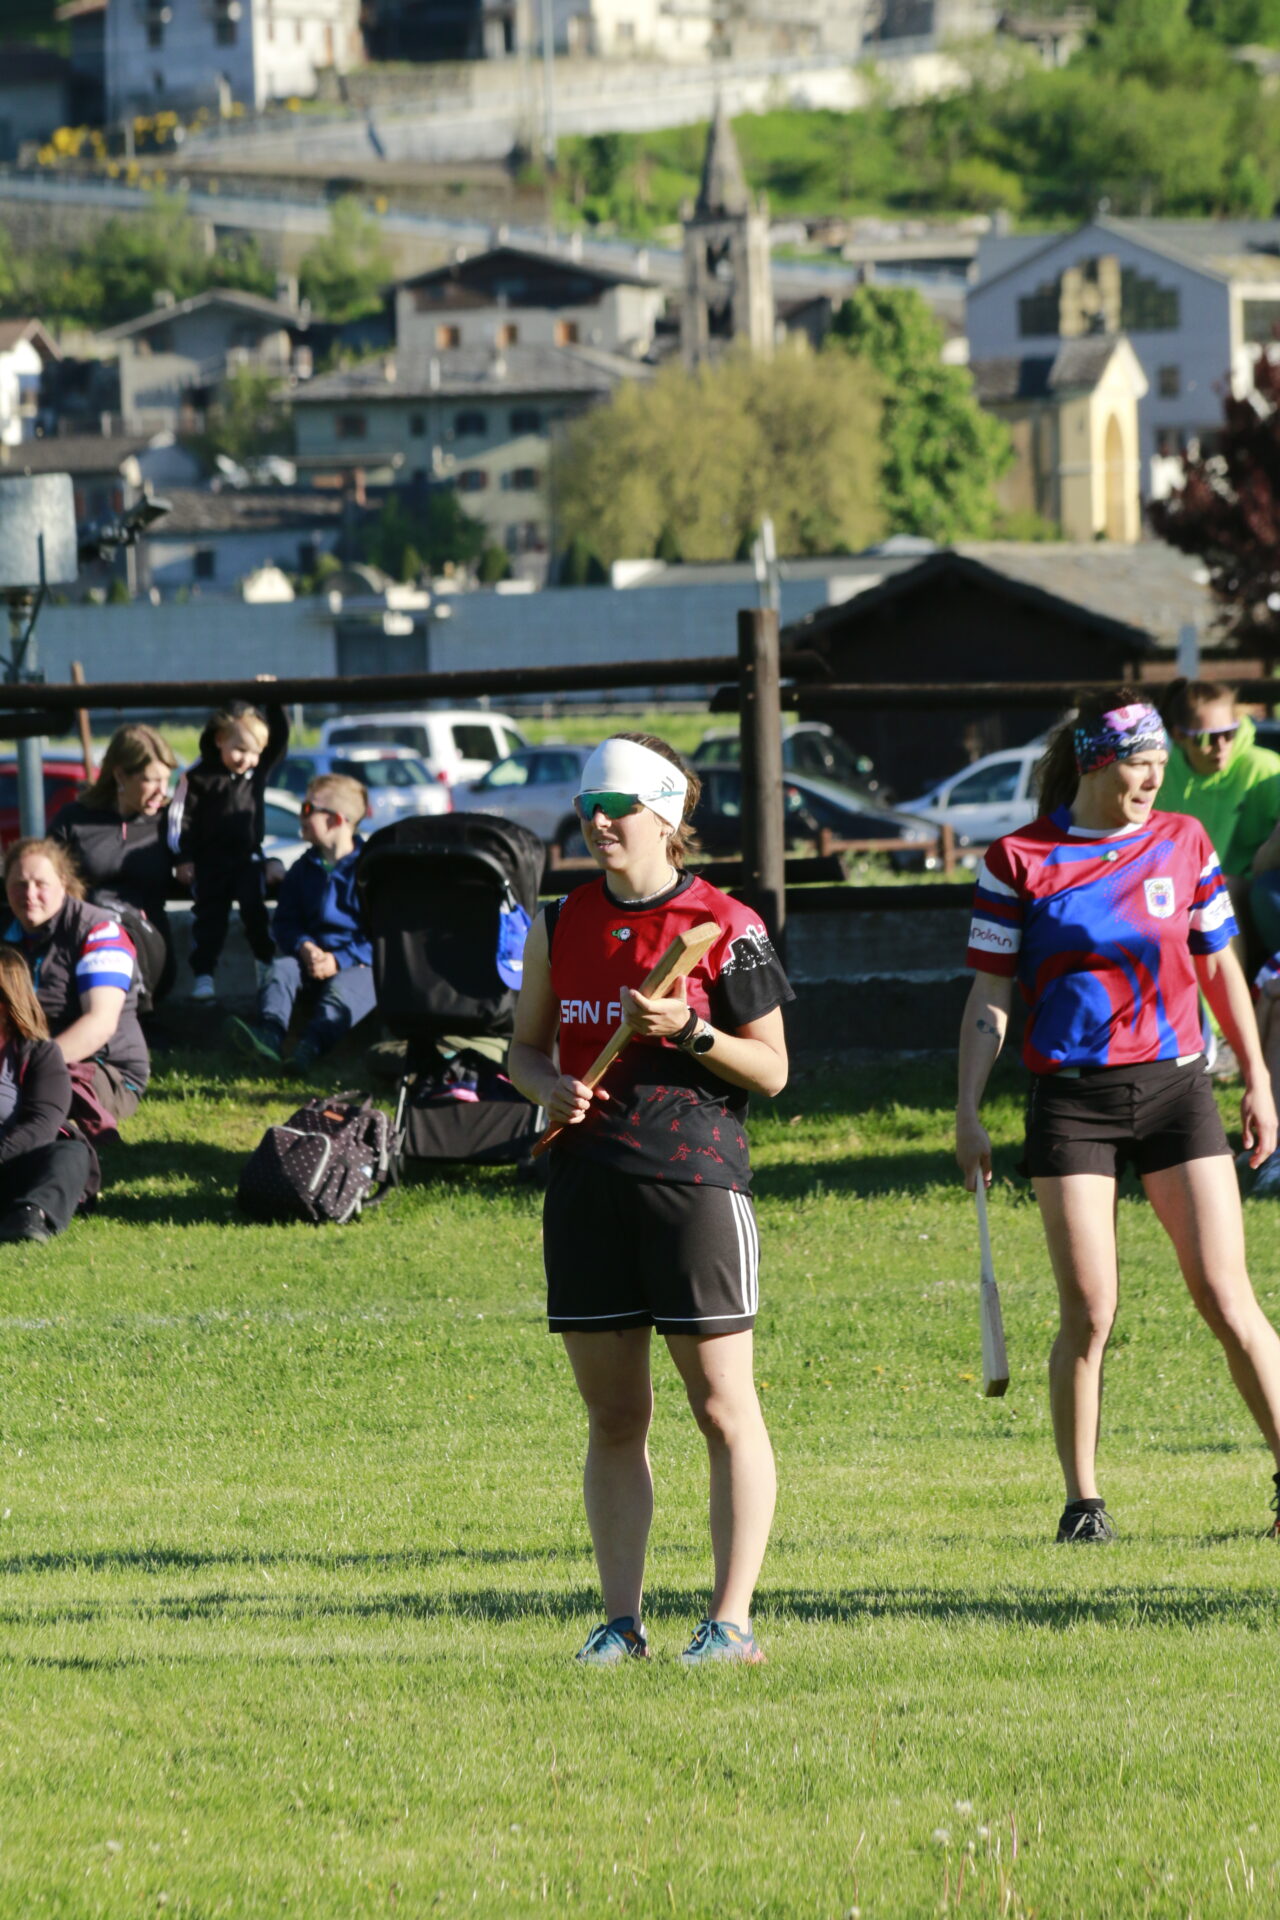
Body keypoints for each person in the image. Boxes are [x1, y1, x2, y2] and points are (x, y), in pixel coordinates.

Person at [955, 690, 1280, 1543]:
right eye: (1141, 762)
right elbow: (990, 997)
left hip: (1178, 1091)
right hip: (1072, 1102)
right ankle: (1083, 1503)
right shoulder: (1018, 859)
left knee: (1226, 1296)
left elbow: (1219, 968)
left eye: (1161, 764)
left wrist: (1257, 1079)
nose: (1154, 778)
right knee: (1090, 1311)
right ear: (1097, 762)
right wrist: (967, 1110)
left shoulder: (1184, 841)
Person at [508, 734, 792, 1665]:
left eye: (617, 807)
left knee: (722, 1409)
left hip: (694, 1183)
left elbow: (774, 1071)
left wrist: (691, 1031)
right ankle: (620, 1624)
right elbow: (525, 1050)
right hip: (585, 1185)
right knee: (614, 1417)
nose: (598, 823)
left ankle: (730, 1624)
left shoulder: (725, 923)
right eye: (589, 807)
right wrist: (547, 1089)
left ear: (665, 815)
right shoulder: (559, 920)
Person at [224, 772, 375, 1077]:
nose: (300, 816)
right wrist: (304, 946)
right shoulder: (302, 868)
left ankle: (308, 1048)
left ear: (336, 819)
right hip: (310, 958)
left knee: (344, 993)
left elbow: (381, 936)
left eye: (308, 809)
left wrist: (339, 959)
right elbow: (286, 922)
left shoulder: (370, 871)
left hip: (358, 963)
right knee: (281, 970)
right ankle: (269, 1035)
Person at [3, 838, 149, 1138]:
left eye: (40, 884)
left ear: (63, 883)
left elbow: (100, 1024)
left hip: (101, 1069)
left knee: (30, 1098)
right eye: (19, 884)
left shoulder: (100, 932)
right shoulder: (6, 931)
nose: (29, 894)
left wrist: (26, 1069)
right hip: (21, 1061)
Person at [49, 723, 180, 1002]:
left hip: (149, 951)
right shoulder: (74, 819)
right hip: (87, 945)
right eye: (150, 780)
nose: (162, 791)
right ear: (120, 774)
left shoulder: (169, 821)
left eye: (166, 780)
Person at [171, 696, 288, 1003]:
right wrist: (183, 857)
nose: (246, 759)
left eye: (255, 753)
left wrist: (275, 701)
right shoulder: (197, 776)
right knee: (210, 917)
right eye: (240, 749)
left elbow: (279, 741)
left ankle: (265, 964)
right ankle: (204, 975)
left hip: (248, 856)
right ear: (219, 739)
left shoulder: (256, 773)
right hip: (209, 860)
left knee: (255, 911)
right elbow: (181, 819)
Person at [0, 946, 94, 1243]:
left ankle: (29, 1215)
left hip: (11, 1165)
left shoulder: (40, 1054)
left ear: (7, 1000)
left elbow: (41, 1126)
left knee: (71, 1153)